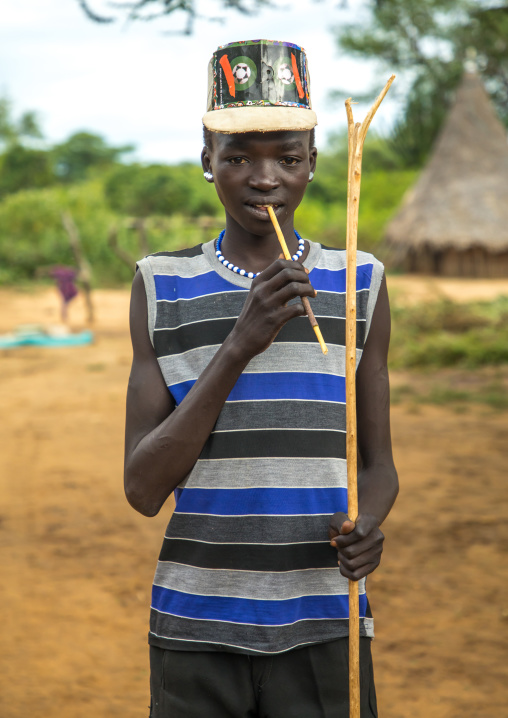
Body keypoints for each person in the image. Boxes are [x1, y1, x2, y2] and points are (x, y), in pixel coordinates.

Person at [124, 39, 398, 718]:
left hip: (325, 625)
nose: (264, 178)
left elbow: (380, 467)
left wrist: (370, 527)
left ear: (314, 165)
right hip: (197, 629)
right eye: (239, 156)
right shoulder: (162, 286)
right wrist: (239, 345)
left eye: (288, 157)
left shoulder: (360, 283)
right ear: (206, 163)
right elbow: (142, 487)